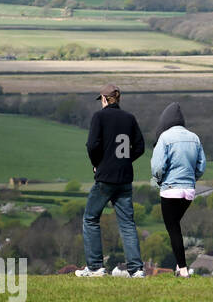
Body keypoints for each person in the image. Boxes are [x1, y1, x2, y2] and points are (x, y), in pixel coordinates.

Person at [77, 84, 145, 278]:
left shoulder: (99, 117)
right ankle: (137, 269)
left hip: (105, 178)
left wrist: (97, 163)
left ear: (104, 99)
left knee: (90, 218)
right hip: (124, 178)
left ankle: (95, 267)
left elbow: (92, 144)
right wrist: (124, 160)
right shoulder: (129, 118)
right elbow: (139, 147)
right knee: (127, 223)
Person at [149, 102, 206, 278]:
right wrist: (192, 179)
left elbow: (157, 166)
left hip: (170, 189)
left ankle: (182, 269)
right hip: (188, 192)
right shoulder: (194, 137)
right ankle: (178, 267)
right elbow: (201, 165)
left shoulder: (165, 138)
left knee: (173, 229)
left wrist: (159, 180)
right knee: (175, 227)